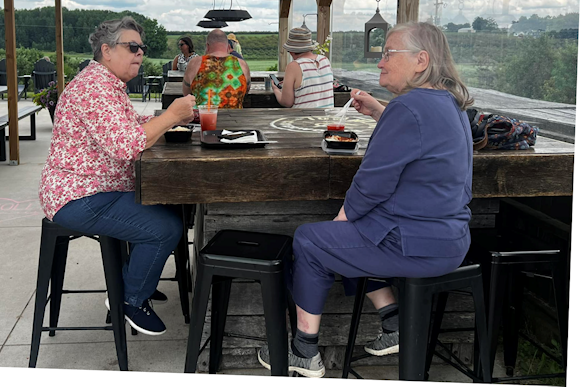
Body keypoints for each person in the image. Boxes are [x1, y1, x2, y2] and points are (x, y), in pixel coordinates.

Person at [258, 22, 475, 377]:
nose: (380, 62)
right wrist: (378, 111)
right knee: (352, 235)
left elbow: (371, 185)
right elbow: (422, 138)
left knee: (312, 241)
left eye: (389, 53)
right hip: (451, 239)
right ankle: (392, 322)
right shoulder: (450, 103)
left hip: (415, 243)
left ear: (421, 60)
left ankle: (303, 350)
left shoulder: (408, 108)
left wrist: (340, 223)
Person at [39, 17, 196, 336]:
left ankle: (138, 279)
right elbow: (126, 144)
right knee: (166, 227)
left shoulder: (105, 83)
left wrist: (160, 121)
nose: (140, 53)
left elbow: (124, 123)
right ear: (107, 50)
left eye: (143, 48)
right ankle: (130, 298)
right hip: (80, 197)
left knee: (169, 208)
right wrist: (170, 116)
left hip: (93, 190)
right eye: (132, 46)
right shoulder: (95, 87)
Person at [182, 29, 251, 108]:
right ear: (228, 47)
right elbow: (246, 91)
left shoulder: (195, 63)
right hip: (235, 118)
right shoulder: (242, 64)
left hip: (203, 118)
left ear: (207, 46)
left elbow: (186, 94)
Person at [273, 24, 334, 109]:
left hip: (303, 119)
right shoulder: (325, 60)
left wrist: (276, 89)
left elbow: (287, 102)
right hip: (327, 119)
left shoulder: (294, 66)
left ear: (291, 51)